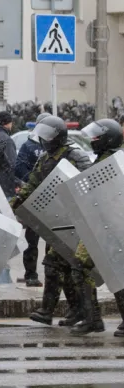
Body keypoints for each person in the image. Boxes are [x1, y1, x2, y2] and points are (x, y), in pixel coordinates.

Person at [11, 116, 92, 329]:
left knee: (56, 265)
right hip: (54, 220)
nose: (45, 140)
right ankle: (76, 310)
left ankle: (50, 311)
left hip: (75, 222)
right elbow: (33, 183)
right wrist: (16, 202)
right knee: (61, 268)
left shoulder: (75, 156)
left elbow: (89, 184)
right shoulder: (45, 158)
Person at [69, 118, 123, 336]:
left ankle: (93, 318)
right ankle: (92, 318)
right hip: (101, 225)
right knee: (81, 267)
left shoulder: (115, 161)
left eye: (96, 137)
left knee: (116, 271)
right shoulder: (103, 159)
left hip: (114, 225)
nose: (92, 140)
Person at [14, 113, 52, 287]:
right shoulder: (29, 146)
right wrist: (34, 181)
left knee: (54, 241)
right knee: (32, 240)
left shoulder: (59, 148)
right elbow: (19, 168)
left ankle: (53, 275)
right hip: (34, 197)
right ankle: (31, 274)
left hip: (54, 199)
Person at [0, 111, 19, 197]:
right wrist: (17, 182)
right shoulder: (7, 140)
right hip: (6, 186)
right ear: (9, 123)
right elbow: (13, 164)